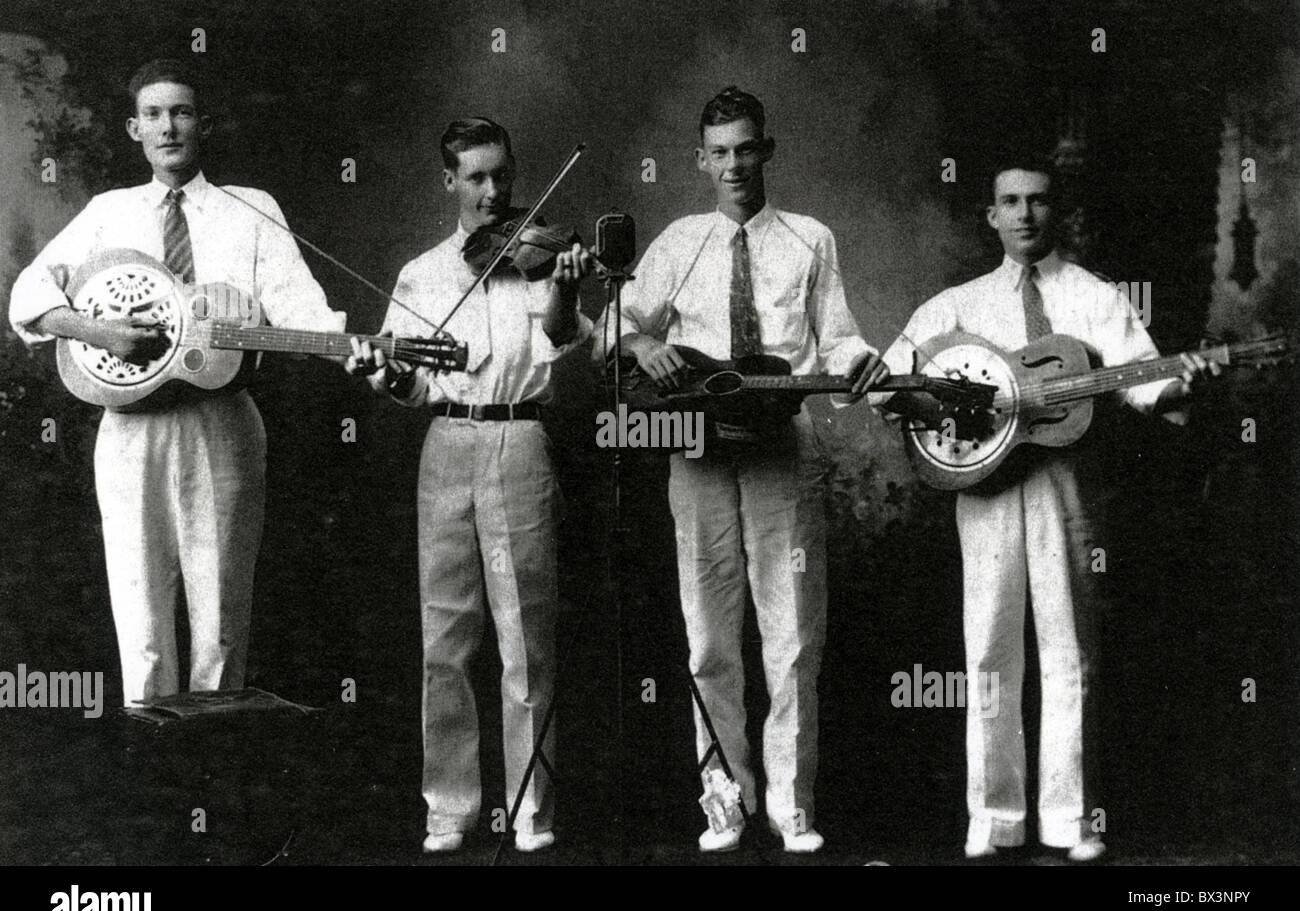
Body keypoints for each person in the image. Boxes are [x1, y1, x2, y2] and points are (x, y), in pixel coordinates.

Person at [875, 156, 1218, 862]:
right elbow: (888, 386)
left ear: (1054, 210)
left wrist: (1188, 381)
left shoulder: (1094, 296)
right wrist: (939, 402)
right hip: (986, 490)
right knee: (990, 651)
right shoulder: (956, 306)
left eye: (1038, 200)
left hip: (1066, 486)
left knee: (1069, 653)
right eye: (1011, 201)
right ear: (991, 214)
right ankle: (993, 818)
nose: (1025, 214)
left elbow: (1147, 385)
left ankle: (1071, 820)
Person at [594, 87, 887, 853]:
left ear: (768, 151)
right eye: (719, 152)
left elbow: (841, 339)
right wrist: (640, 345)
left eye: (746, 148)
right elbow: (612, 330)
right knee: (708, 641)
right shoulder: (676, 241)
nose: (733, 165)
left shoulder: (810, 239)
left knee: (790, 635)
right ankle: (723, 799)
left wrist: (866, 365)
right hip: (695, 454)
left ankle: (793, 806)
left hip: (780, 455)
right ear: (700, 160)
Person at [8, 58, 345, 707]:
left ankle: (215, 771)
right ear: (135, 128)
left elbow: (299, 306)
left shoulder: (251, 210)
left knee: (219, 620)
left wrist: (345, 346)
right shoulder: (109, 211)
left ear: (205, 124)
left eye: (183, 112)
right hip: (130, 432)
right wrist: (95, 331)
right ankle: (154, 769)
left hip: (221, 425)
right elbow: (28, 290)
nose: (169, 127)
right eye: (155, 114)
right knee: (141, 617)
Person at [346, 118, 593, 854]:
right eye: (476, 178)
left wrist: (564, 286)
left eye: (502, 176)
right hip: (448, 441)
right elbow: (408, 381)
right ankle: (449, 807)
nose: (493, 192)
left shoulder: (545, 259)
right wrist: (382, 371)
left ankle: (531, 808)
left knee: (526, 637)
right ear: (448, 181)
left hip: (522, 435)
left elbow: (563, 346)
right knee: (444, 636)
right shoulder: (423, 274)